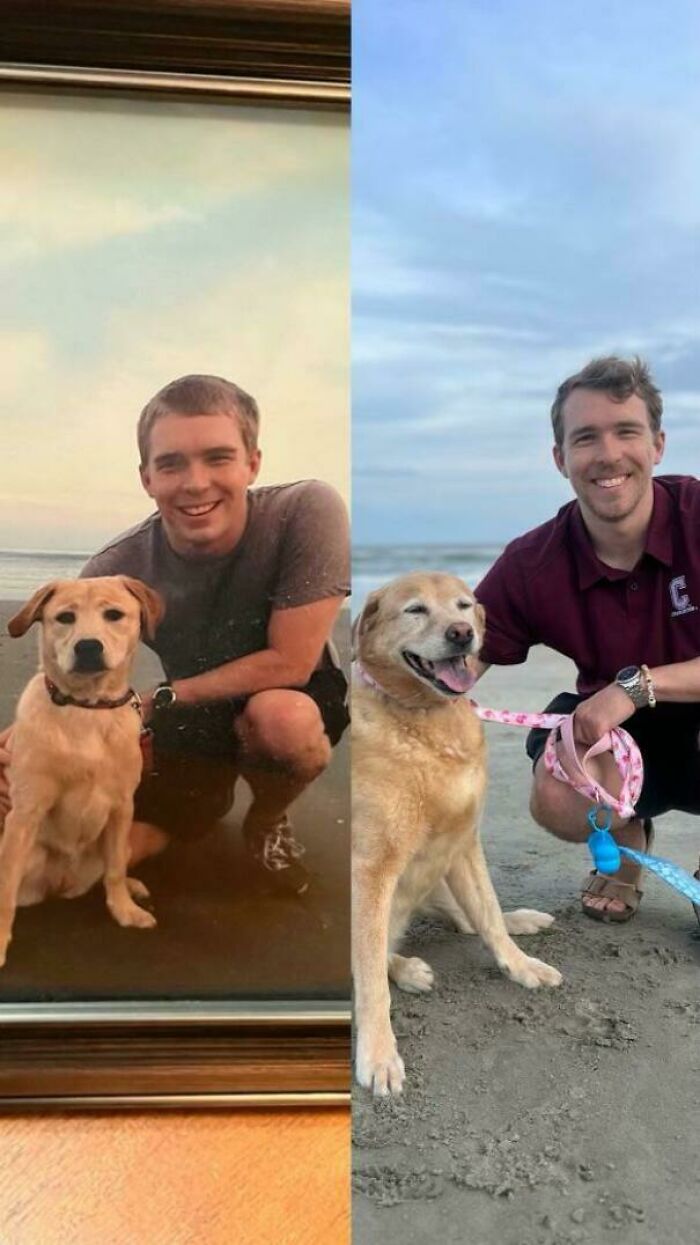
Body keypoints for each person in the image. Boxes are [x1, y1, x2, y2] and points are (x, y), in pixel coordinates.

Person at [0, 374, 350, 895]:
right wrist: (21, 744)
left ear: (252, 462)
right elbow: (70, 674)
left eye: (217, 457)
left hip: (286, 695)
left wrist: (152, 699)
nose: (194, 482)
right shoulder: (116, 568)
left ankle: (267, 818)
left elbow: (290, 662)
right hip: (190, 713)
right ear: (146, 477)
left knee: (282, 720)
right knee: (107, 853)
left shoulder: (305, 510)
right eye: (171, 463)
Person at [473, 355, 700, 922]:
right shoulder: (531, 562)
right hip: (618, 737)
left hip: (666, 702)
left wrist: (634, 688)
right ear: (560, 458)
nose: (608, 455)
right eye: (585, 438)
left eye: (627, 431)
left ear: (658, 444)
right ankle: (626, 846)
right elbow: (455, 662)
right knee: (560, 795)